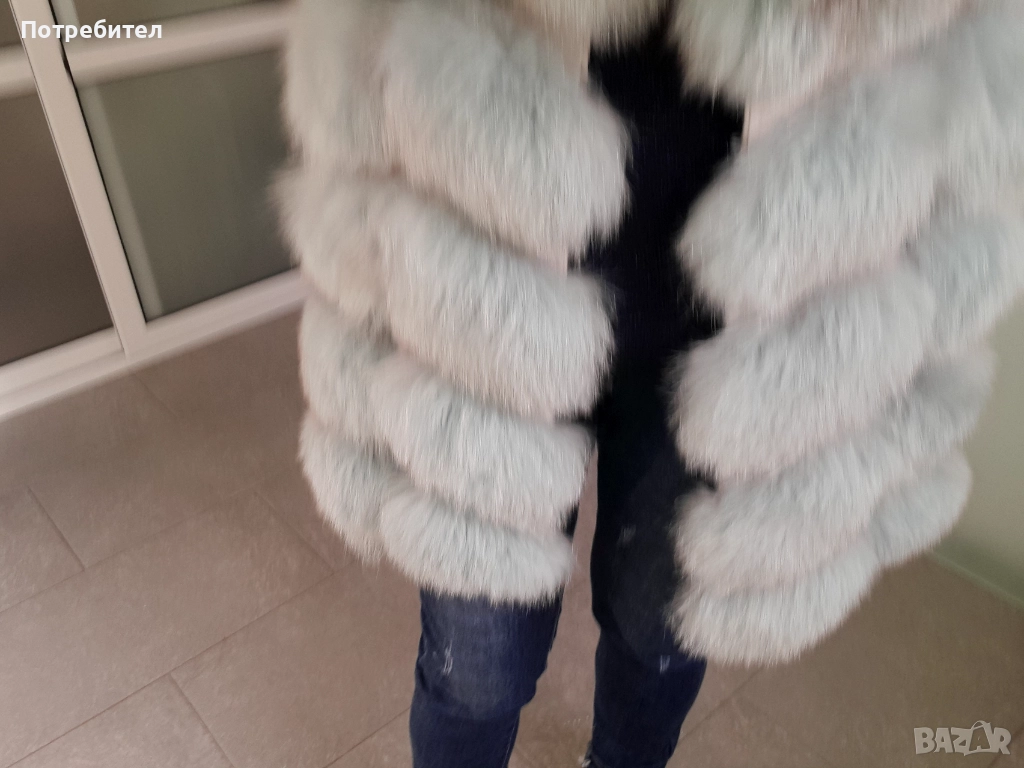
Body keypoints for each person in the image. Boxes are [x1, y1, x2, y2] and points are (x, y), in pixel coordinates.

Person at [275, 1, 1024, 766]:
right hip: (479, 318)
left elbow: (969, 156)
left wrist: (900, 406)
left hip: (747, 354)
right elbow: (355, 100)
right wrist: (362, 352)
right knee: (475, 669)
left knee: (655, 641)